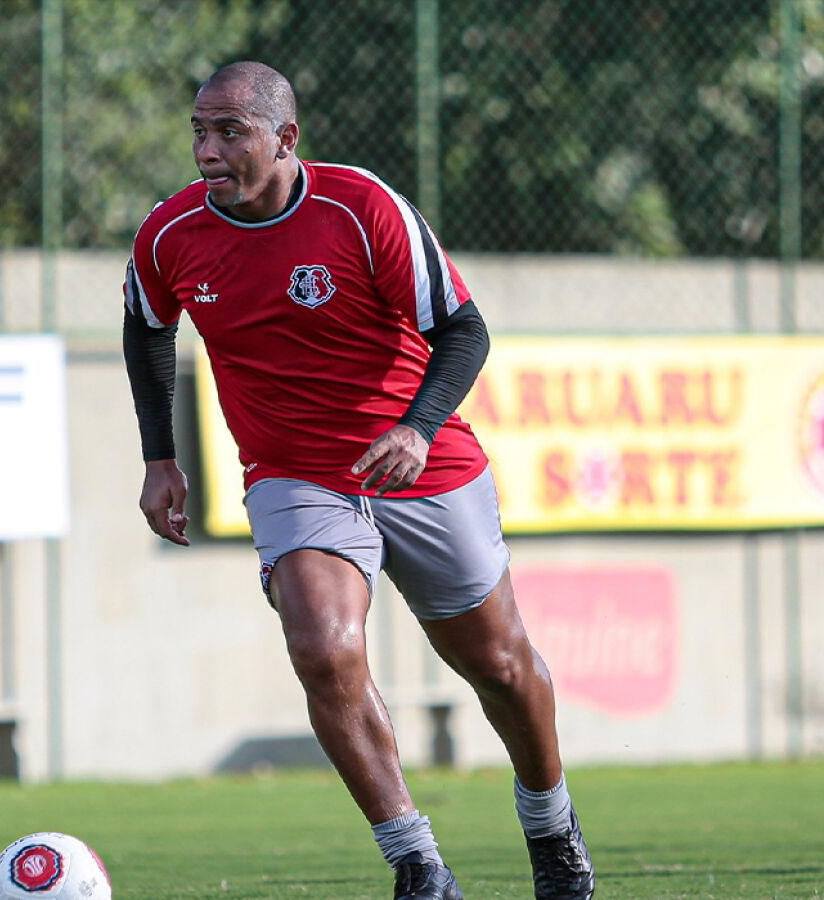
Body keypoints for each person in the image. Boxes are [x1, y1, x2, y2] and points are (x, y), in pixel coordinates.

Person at [122, 63, 595, 900]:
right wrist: (161, 456)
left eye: (230, 132)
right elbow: (146, 330)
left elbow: (464, 330)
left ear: (286, 138)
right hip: (295, 473)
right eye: (199, 131)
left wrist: (414, 427)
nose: (207, 151)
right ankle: (418, 862)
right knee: (323, 647)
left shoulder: (362, 206)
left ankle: (552, 830)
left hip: (422, 461)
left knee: (498, 664)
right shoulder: (170, 233)